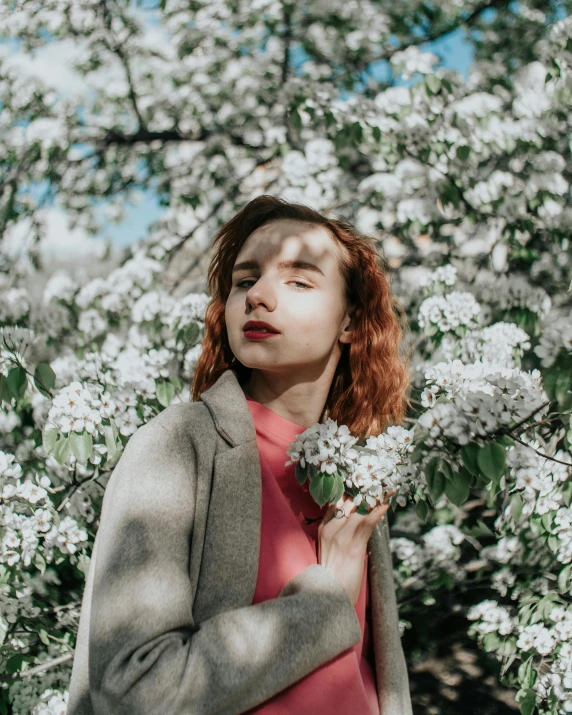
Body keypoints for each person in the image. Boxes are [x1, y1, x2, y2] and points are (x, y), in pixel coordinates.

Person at [66, 194, 413, 715]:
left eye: (298, 280)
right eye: (245, 281)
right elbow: (137, 689)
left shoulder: (356, 477)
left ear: (350, 322)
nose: (259, 297)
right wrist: (323, 604)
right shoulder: (178, 447)